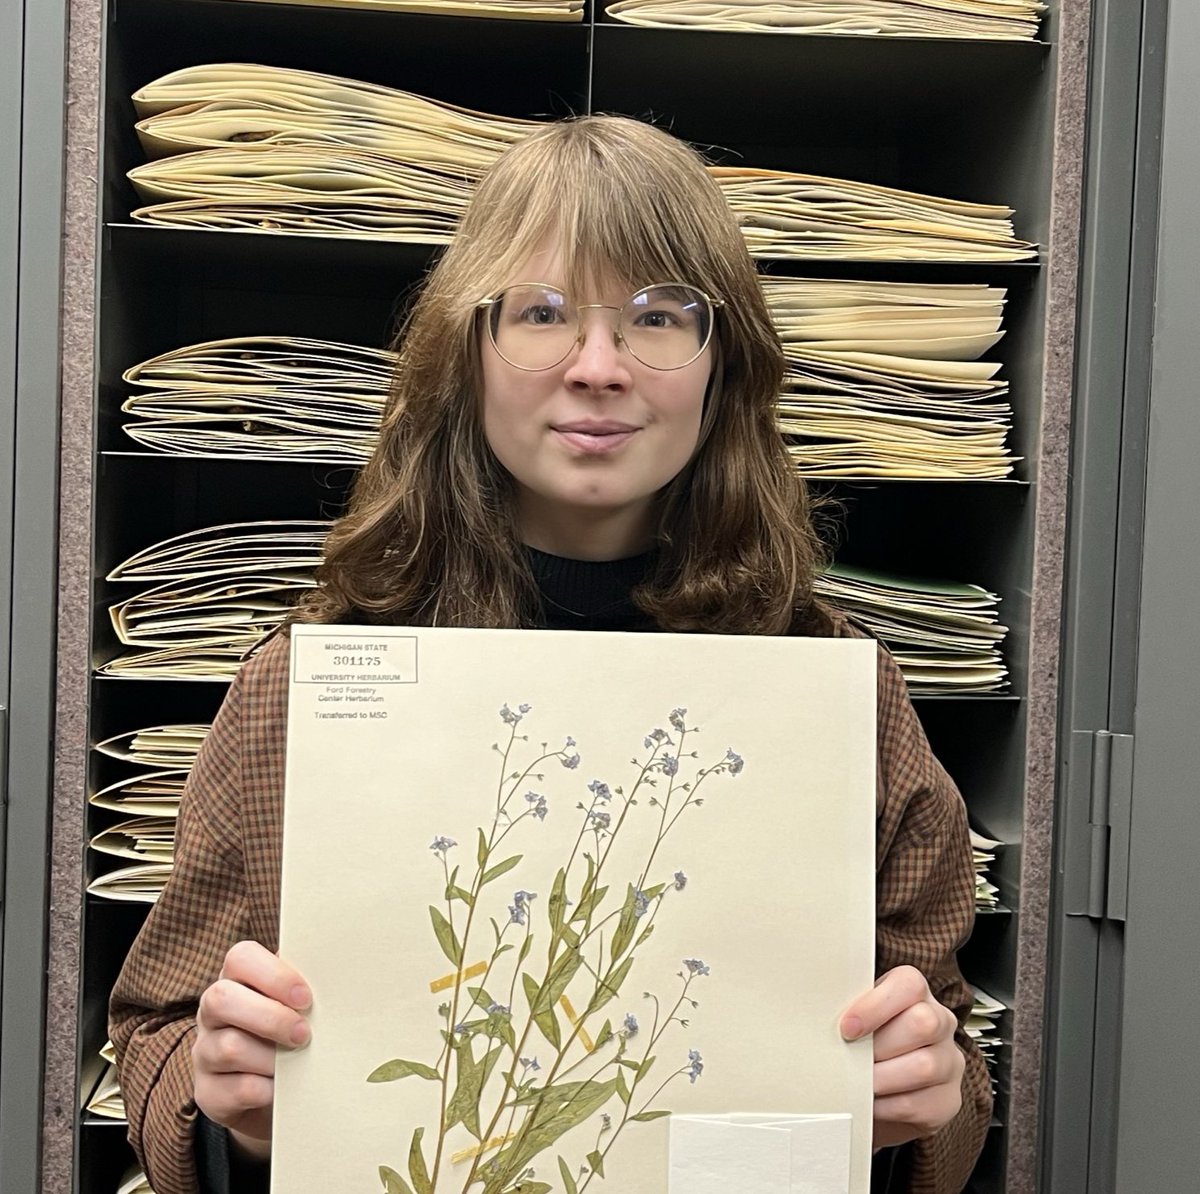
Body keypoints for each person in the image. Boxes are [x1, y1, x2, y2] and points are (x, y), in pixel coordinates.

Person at [110, 114, 991, 1194]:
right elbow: (156, 1029)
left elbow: (950, 1075)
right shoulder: (307, 687)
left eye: (661, 316)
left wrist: (926, 1098)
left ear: (725, 365)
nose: (599, 367)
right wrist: (230, 1110)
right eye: (541, 313)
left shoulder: (837, 695)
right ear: (464, 352)